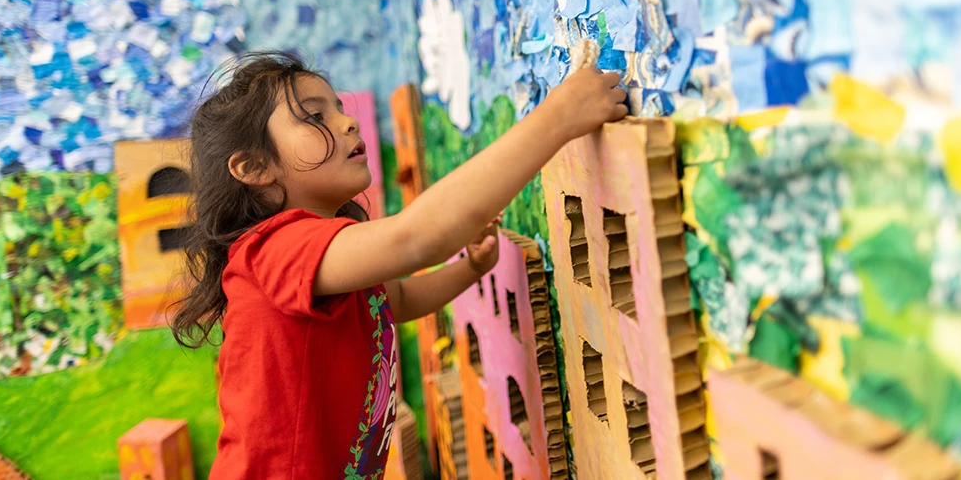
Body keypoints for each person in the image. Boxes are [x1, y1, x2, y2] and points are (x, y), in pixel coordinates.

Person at [170, 51, 627, 479]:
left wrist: (468, 268)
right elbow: (415, 239)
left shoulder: (321, 256)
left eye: (337, 108)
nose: (347, 122)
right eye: (315, 116)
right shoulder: (272, 250)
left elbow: (396, 300)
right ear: (253, 168)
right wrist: (558, 118)